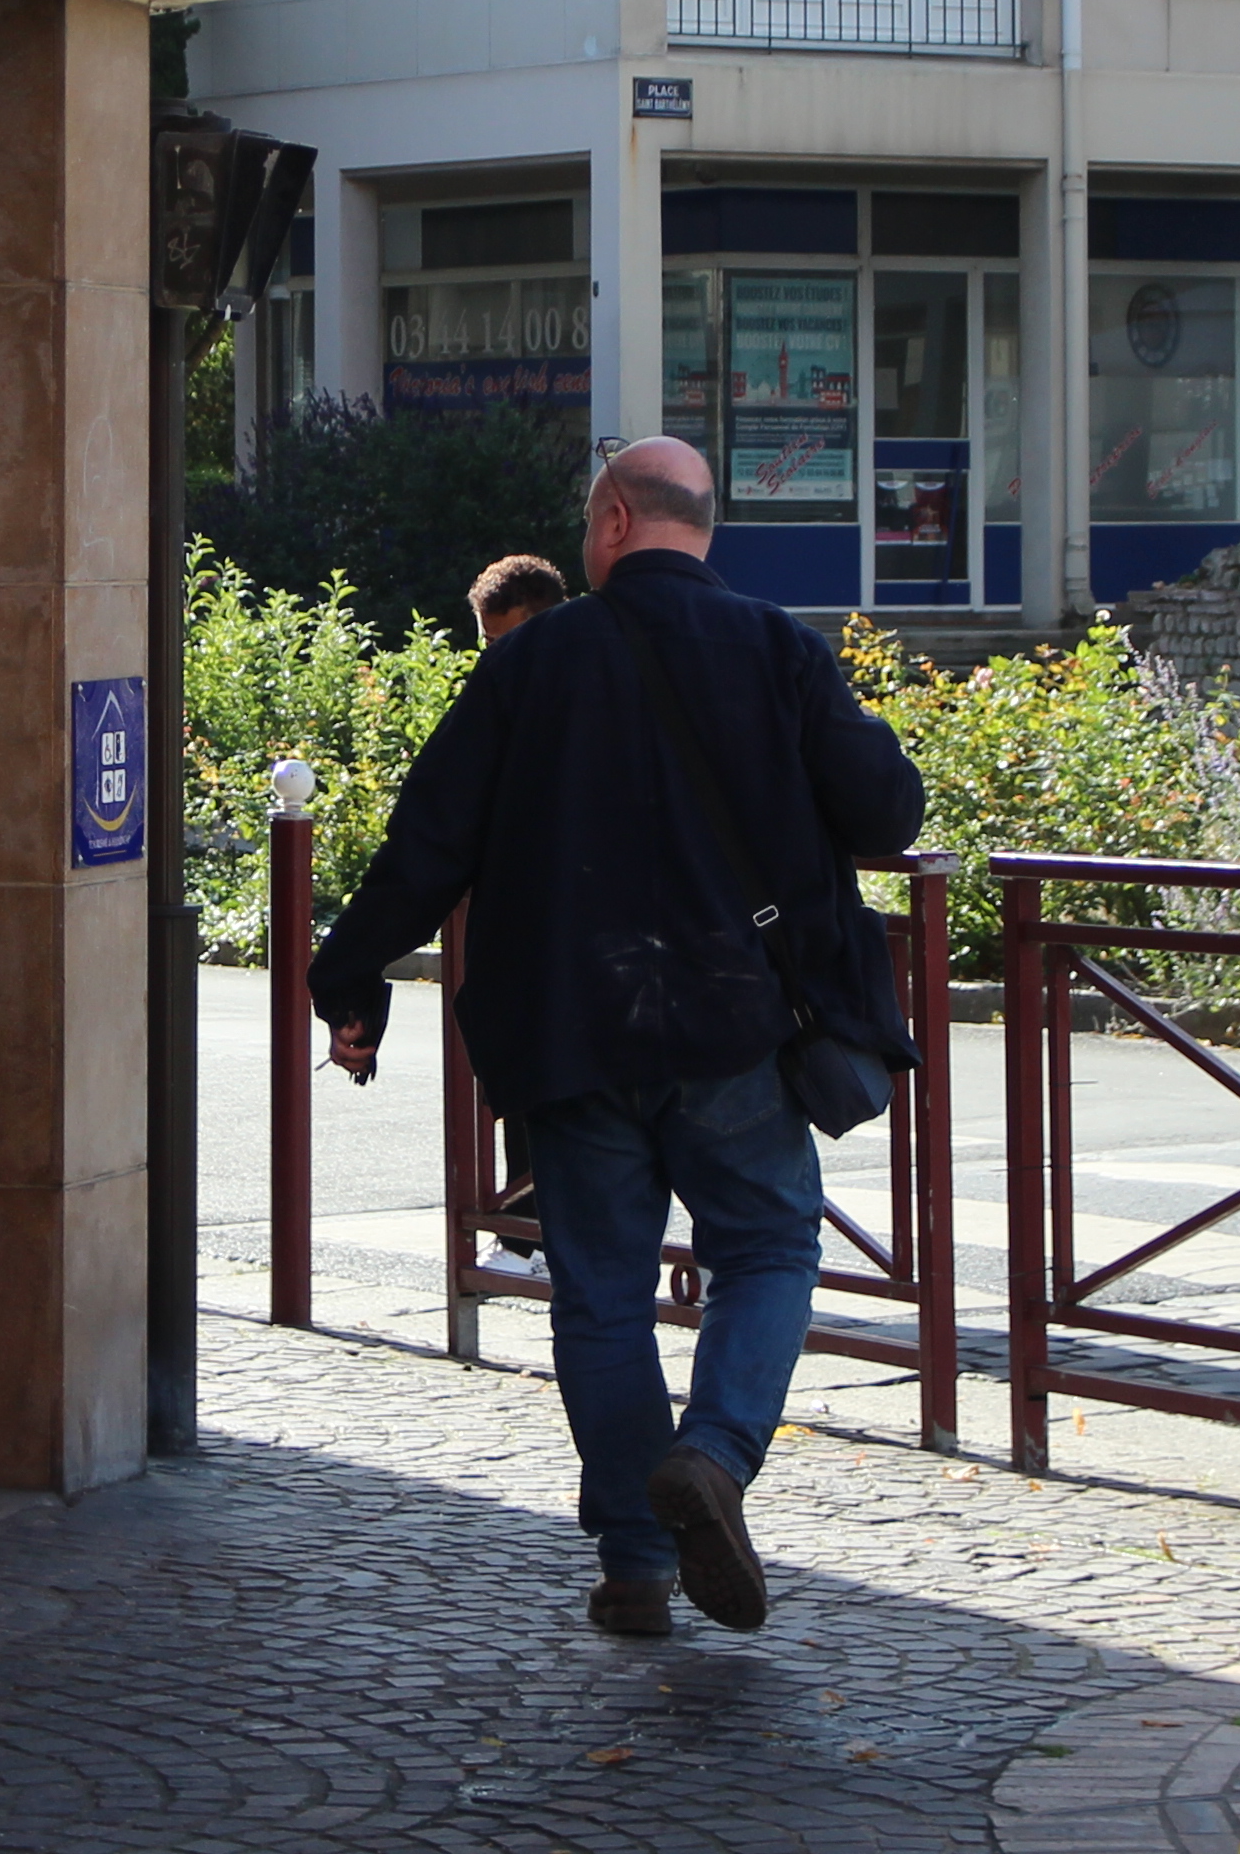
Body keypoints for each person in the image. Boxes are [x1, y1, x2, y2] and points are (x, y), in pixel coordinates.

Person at [311, 439, 925, 1640]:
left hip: (570, 1031)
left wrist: (348, 976)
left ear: (612, 523)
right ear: (703, 527)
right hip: (736, 1027)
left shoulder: (529, 664)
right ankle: (715, 1456)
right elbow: (888, 812)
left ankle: (638, 1564)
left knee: (598, 1296)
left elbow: (426, 845)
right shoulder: (779, 649)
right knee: (768, 1249)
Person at [456, 551, 572, 1274]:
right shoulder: (503, 692)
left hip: (584, 925)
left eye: (507, 641)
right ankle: (523, 1237)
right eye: (487, 643)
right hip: (529, 923)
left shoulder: (590, 681)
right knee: (524, 1082)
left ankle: (714, 1252)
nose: (495, 658)